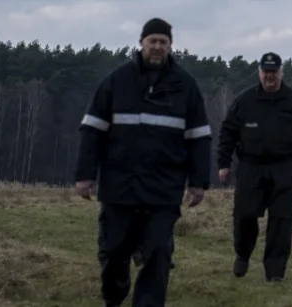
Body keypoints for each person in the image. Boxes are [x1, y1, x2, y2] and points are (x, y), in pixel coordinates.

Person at [74, 17, 211, 307]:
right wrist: (85, 175)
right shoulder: (116, 81)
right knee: (113, 251)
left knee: (159, 251)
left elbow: (199, 137)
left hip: (164, 187)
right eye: (153, 41)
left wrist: (199, 182)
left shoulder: (185, 86)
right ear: (141, 43)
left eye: (163, 42)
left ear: (171, 46)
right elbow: (92, 130)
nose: (158, 47)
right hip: (119, 185)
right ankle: (114, 295)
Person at [216, 51, 292, 283]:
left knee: (281, 221)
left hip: (283, 168)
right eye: (266, 71)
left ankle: (275, 272)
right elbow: (227, 133)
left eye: (274, 71)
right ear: (259, 73)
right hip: (250, 167)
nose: (270, 76)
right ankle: (242, 254)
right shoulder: (244, 101)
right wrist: (224, 164)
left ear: (281, 72)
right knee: (244, 215)